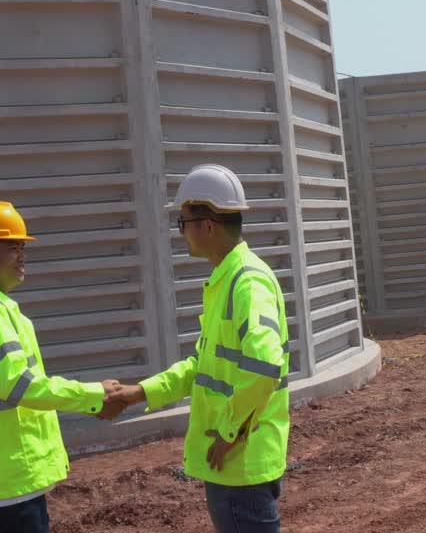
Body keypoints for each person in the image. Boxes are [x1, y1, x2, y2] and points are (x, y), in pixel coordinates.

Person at [101, 164, 290, 533]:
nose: (181, 232)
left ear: (207, 224)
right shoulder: (226, 281)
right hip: (236, 465)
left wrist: (229, 431)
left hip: (239, 466)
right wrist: (141, 392)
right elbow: (203, 366)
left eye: (183, 222)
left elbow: (266, 364)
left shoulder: (246, 283)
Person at [0, 201, 115, 533]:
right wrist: (92, 395)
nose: (22, 256)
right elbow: (18, 385)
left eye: (22, 248)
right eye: (12, 248)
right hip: (8, 471)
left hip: (10, 469)